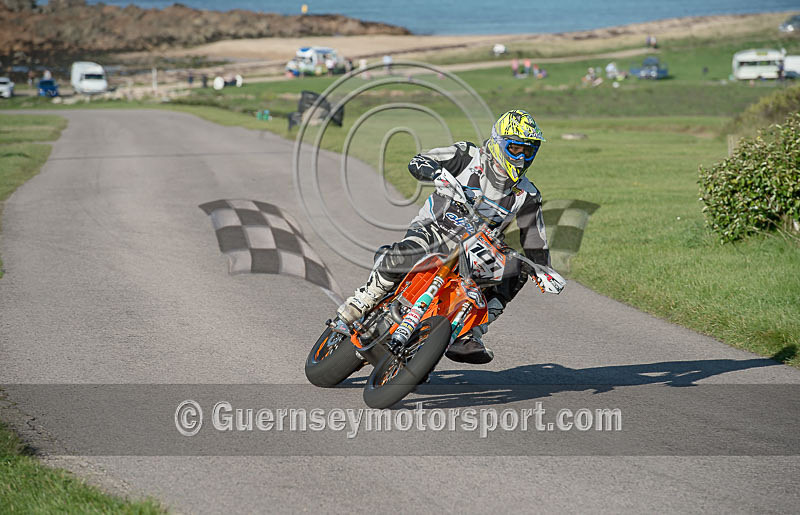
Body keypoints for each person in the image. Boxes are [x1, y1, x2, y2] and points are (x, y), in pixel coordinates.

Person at [336, 110, 551, 364]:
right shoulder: (468, 155)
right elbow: (419, 160)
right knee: (408, 253)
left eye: (529, 150)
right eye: (516, 148)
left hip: (475, 251)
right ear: (498, 142)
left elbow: (535, 240)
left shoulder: (528, 194)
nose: (522, 156)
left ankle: (471, 331)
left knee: (518, 271)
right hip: (434, 229)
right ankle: (364, 299)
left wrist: (545, 270)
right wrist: (437, 174)